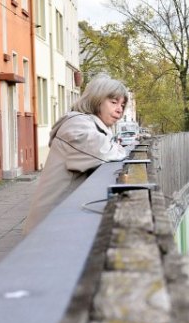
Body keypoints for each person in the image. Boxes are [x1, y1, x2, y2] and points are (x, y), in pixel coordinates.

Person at [24, 76, 130, 233]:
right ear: (96, 100)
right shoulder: (77, 124)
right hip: (48, 227)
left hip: (60, 220)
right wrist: (122, 149)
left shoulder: (90, 125)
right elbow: (103, 151)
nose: (120, 109)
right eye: (114, 102)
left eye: (122, 104)